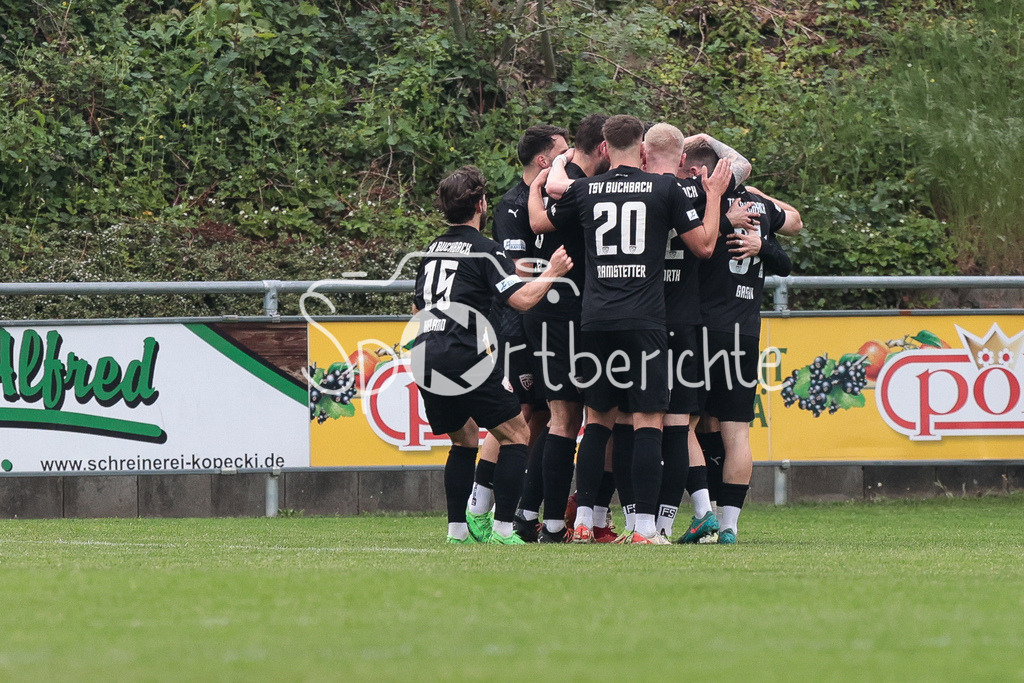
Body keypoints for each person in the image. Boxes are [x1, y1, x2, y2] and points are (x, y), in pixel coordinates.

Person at [542, 115, 731, 544]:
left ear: (604, 148)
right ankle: (644, 528)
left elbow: (547, 213)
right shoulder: (663, 188)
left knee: (598, 421)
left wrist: (559, 165)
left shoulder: (586, 189)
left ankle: (586, 520)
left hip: (595, 320)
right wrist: (715, 195)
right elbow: (703, 246)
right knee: (649, 421)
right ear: (642, 150)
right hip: (644, 320)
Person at [412, 166, 573, 544]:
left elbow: (419, 310)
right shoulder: (486, 250)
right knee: (516, 433)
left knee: (464, 439)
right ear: (481, 204)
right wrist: (552, 272)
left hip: (426, 351)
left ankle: (457, 532)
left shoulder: (432, 249)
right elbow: (520, 301)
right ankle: (502, 529)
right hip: (463, 353)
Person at [679, 140, 802, 544]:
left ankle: (705, 513)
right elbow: (786, 259)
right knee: (732, 431)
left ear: (702, 172)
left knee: (682, 424)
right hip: (744, 331)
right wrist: (763, 244)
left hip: (702, 329)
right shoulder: (757, 206)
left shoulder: (700, 203)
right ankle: (728, 525)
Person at [517, 113, 615, 543]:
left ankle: (553, 521)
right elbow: (541, 224)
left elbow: (539, 221)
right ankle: (577, 519)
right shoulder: (583, 187)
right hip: (573, 316)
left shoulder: (558, 180)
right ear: (605, 148)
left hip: (553, 315)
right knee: (585, 417)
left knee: (564, 418)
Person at [468, 125, 569, 543]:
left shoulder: (554, 199)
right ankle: (478, 507)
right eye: (563, 153)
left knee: (544, 414)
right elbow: (515, 274)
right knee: (518, 415)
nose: (569, 159)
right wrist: (552, 272)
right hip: (517, 322)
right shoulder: (513, 205)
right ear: (544, 161)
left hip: (550, 320)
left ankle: (523, 510)